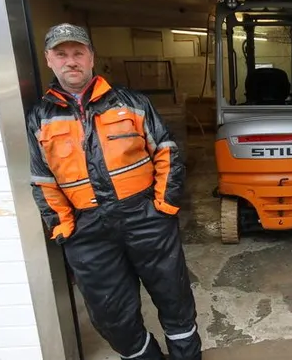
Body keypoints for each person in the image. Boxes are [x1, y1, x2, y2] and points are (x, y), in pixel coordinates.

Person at [26, 23, 202, 360]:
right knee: (113, 319)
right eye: (61, 54)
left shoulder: (132, 103)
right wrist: (63, 226)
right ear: (49, 60)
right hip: (88, 230)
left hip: (146, 219)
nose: (71, 61)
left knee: (175, 302)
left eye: (78, 52)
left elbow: (166, 151)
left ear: (91, 56)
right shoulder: (41, 118)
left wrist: (163, 206)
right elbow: (43, 179)